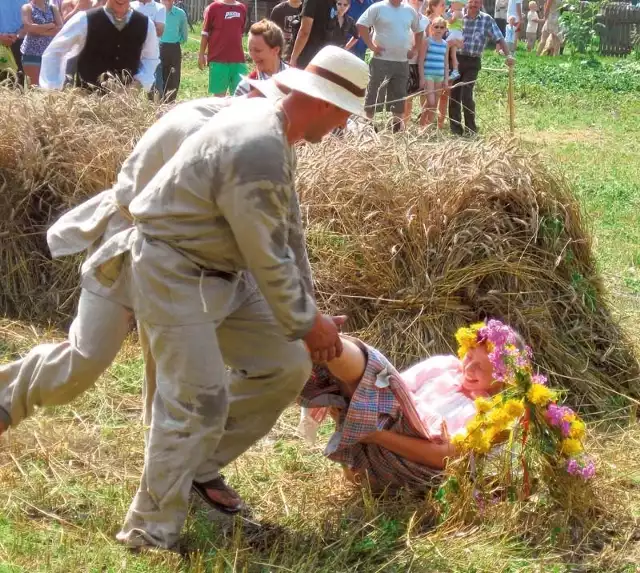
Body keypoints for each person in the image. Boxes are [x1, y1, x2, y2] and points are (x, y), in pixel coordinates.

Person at [0, 46, 369, 551]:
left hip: (215, 272)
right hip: (170, 267)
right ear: (326, 103)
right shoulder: (253, 143)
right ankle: (149, 530)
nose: (346, 125)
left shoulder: (272, 133)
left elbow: (286, 234)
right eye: (347, 113)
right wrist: (308, 323)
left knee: (282, 364)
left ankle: (194, 469)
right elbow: (266, 252)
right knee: (173, 392)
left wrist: (308, 314)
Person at [298, 319, 527, 491]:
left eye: (481, 368)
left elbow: (445, 458)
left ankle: (324, 344)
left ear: (503, 376)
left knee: (366, 368)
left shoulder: (490, 413)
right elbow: (391, 386)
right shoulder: (443, 366)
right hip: (381, 422)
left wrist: (376, 436)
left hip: (404, 463)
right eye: (469, 357)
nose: (468, 369)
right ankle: (318, 345)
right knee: (365, 369)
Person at [39, 0, 159, 91]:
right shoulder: (84, 19)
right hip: (87, 105)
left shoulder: (146, 24)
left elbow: (151, 59)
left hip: (126, 109)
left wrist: (134, 88)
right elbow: (54, 52)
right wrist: (53, 88)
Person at [448, 0, 513, 137]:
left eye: (477, 2)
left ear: (481, 3)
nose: (474, 5)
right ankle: (455, 129)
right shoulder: (457, 15)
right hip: (456, 60)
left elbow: (499, 38)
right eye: (472, 1)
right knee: (454, 94)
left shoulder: (486, 19)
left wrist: (509, 55)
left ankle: (471, 129)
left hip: (473, 62)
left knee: (466, 93)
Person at [357, 0, 422, 131]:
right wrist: (371, 46)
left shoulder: (409, 10)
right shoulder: (378, 7)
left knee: (399, 96)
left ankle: (397, 129)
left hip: (402, 62)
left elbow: (419, 31)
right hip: (381, 60)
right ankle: (367, 128)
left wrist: (415, 49)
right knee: (373, 94)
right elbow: (361, 24)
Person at [198, 0, 247, 96]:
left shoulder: (242, 8)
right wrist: (201, 54)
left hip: (238, 60)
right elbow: (205, 33)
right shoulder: (213, 7)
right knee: (219, 99)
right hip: (218, 60)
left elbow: (240, 32)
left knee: (240, 97)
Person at [234, 19, 288, 97]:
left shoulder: (296, 80)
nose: (252, 55)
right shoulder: (246, 87)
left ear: (276, 50)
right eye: (250, 50)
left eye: (258, 50)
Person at [20, 0, 62, 86]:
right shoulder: (27, 7)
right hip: (31, 52)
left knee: (50, 86)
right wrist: (49, 26)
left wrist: (38, 30)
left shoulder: (53, 8)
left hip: (50, 53)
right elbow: (29, 27)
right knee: (34, 86)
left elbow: (60, 28)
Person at [418, 15, 448, 127]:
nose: (439, 29)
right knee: (430, 101)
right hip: (428, 74)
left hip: (439, 76)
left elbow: (446, 63)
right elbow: (421, 60)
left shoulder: (445, 44)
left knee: (435, 103)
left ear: (445, 29)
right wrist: (421, 78)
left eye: (441, 27)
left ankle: (428, 127)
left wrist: (446, 79)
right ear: (432, 28)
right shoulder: (427, 41)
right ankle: (421, 125)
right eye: (436, 27)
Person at [403, 0, 428, 124]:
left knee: (410, 98)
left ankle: (405, 127)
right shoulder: (401, 14)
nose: (418, 1)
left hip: (417, 63)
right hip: (400, 61)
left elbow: (425, 43)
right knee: (402, 98)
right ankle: (399, 126)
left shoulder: (425, 20)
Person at [289, 0, 333, 69]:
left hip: (306, 56)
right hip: (324, 57)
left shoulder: (310, 1)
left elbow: (304, 31)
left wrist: (293, 58)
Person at [159, 0, 188, 101]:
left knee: (173, 77)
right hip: (158, 48)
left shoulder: (180, 14)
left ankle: (170, 102)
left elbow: (184, 35)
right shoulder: (156, 12)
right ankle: (157, 103)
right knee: (159, 76)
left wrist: (175, 40)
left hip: (174, 49)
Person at [0, 0, 27, 85]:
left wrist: (17, 36)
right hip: (2, 42)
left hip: (20, 43)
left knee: (19, 81)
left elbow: (31, 20)